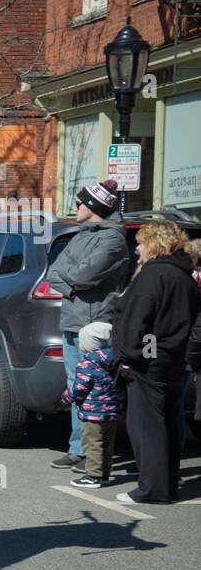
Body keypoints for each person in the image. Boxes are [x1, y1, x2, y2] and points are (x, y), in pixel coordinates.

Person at [46, 179, 131, 472]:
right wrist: (71, 285)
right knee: (76, 385)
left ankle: (92, 454)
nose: (75, 207)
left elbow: (85, 275)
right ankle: (77, 448)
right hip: (72, 317)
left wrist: (71, 282)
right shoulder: (81, 234)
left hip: (94, 323)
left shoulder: (113, 239)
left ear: (94, 208)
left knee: (95, 389)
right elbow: (53, 272)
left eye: (80, 203)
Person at [112, 221, 200, 504]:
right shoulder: (184, 274)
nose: (136, 249)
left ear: (154, 243)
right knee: (169, 422)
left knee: (147, 425)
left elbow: (140, 319)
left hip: (152, 358)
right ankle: (167, 483)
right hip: (174, 356)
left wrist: (131, 355)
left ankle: (152, 488)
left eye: (140, 242)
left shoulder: (154, 274)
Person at [62, 321, 120, 488]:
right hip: (112, 412)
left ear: (87, 345)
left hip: (92, 413)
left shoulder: (87, 364)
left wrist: (66, 397)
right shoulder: (114, 361)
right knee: (108, 444)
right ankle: (104, 474)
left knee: (92, 444)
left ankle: (93, 476)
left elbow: (79, 389)